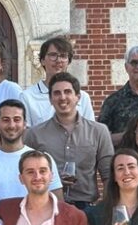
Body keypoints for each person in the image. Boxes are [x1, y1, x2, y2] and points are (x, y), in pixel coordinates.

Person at [24, 71, 114, 209]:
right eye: (57, 93)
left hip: (86, 208)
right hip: (48, 207)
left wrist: (105, 209)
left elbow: (108, 175)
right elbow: (26, 174)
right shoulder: (35, 134)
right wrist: (52, 180)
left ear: (78, 97)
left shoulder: (99, 131)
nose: (62, 97)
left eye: (67, 92)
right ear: (50, 99)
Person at [0, 99, 63, 213]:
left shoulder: (44, 160)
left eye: (17, 119)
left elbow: (58, 204)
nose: (11, 125)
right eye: (6, 120)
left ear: (25, 124)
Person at [18, 37, 96, 125]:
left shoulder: (83, 97)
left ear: (68, 61)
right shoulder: (27, 97)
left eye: (63, 56)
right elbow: (26, 132)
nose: (58, 60)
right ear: (42, 61)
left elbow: (90, 130)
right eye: (53, 55)